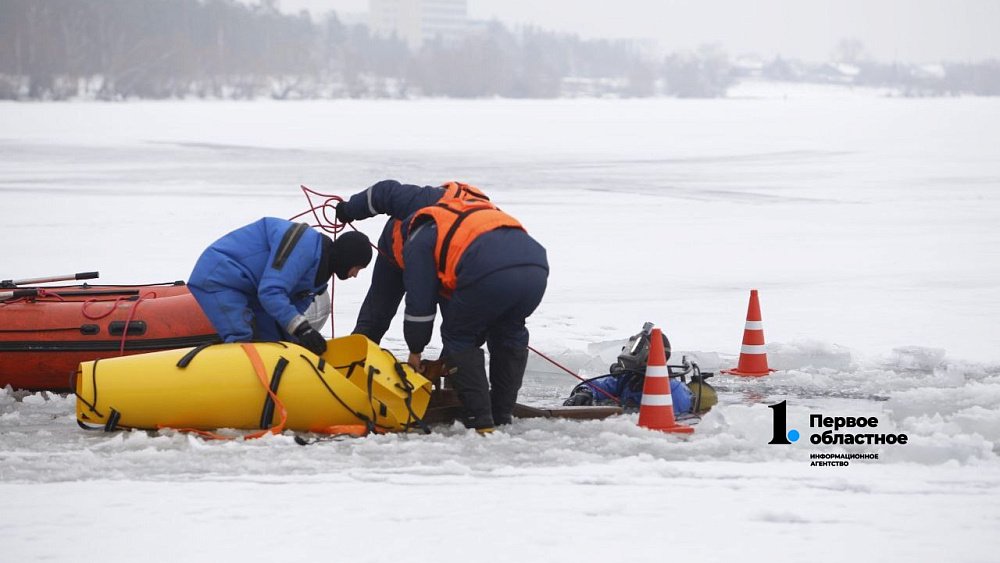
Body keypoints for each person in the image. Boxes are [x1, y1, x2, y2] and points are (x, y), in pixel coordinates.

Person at [338, 180, 548, 431]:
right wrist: (349, 210)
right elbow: (381, 195)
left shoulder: (421, 234)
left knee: (459, 337)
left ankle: (481, 423)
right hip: (535, 267)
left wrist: (415, 351)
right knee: (508, 331)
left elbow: (420, 306)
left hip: (480, 268)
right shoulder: (470, 212)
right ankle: (502, 416)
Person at [188, 217, 373, 356]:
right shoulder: (305, 246)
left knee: (275, 345)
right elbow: (271, 292)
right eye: (357, 268)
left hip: (252, 291)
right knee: (244, 338)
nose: (355, 275)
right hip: (220, 279)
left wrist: (299, 342)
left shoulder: (317, 280)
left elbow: (286, 315)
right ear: (348, 258)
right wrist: (304, 330)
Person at [335, 179, 488, 343]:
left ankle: (451, 366)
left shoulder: (484, 256)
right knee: (376, 316)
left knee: (461, 332)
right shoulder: (430, 201)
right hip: (395, 252)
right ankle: (355, 354)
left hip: (446, 271)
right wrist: (349, 210)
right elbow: (384, 193)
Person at [562, 323, 717, 415]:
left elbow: (671, 419)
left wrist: (633, 412)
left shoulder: (673, 390)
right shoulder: (628, 379)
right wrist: (584, 392)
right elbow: (599, 385)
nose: (627, 354)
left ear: (649, 356)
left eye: (634, 350)